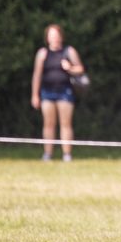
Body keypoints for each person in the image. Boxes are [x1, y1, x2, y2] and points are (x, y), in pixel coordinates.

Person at [30, 24, 85, 162]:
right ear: (47, 38)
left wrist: (70, 68)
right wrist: (35, 95)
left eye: (56, 35)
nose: (54, 38)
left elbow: (80, 69)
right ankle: (47, 154)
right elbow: (37, 75)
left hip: (65, 92)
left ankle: (67, 154)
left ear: (61, 37)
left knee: (66, 123)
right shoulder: (42, 53)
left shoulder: (69, 51)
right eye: (51, 36)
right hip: (47, 92)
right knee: (48, 124)